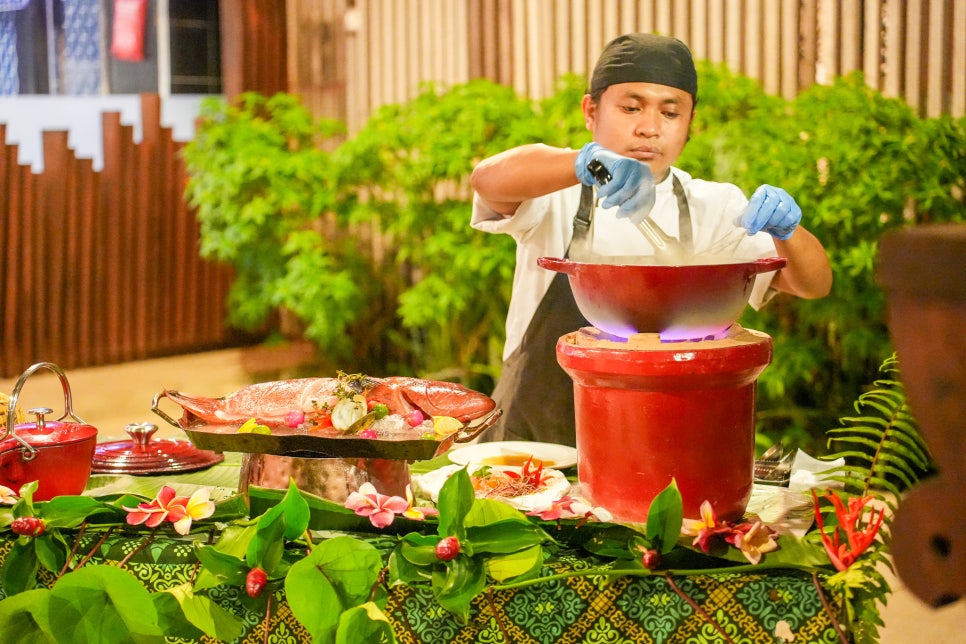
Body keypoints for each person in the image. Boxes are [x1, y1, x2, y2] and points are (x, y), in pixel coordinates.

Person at [469, 33, 833, 447]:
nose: (649, 128)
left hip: (664, 447)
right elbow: (487, 180)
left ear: (690, 124)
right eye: (630, 107)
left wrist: (789, 231)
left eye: (671, 112)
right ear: (591, 110)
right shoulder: (555, 192)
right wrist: (581, 163)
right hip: (534, 448)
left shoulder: (714, 206)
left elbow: (813, 284)